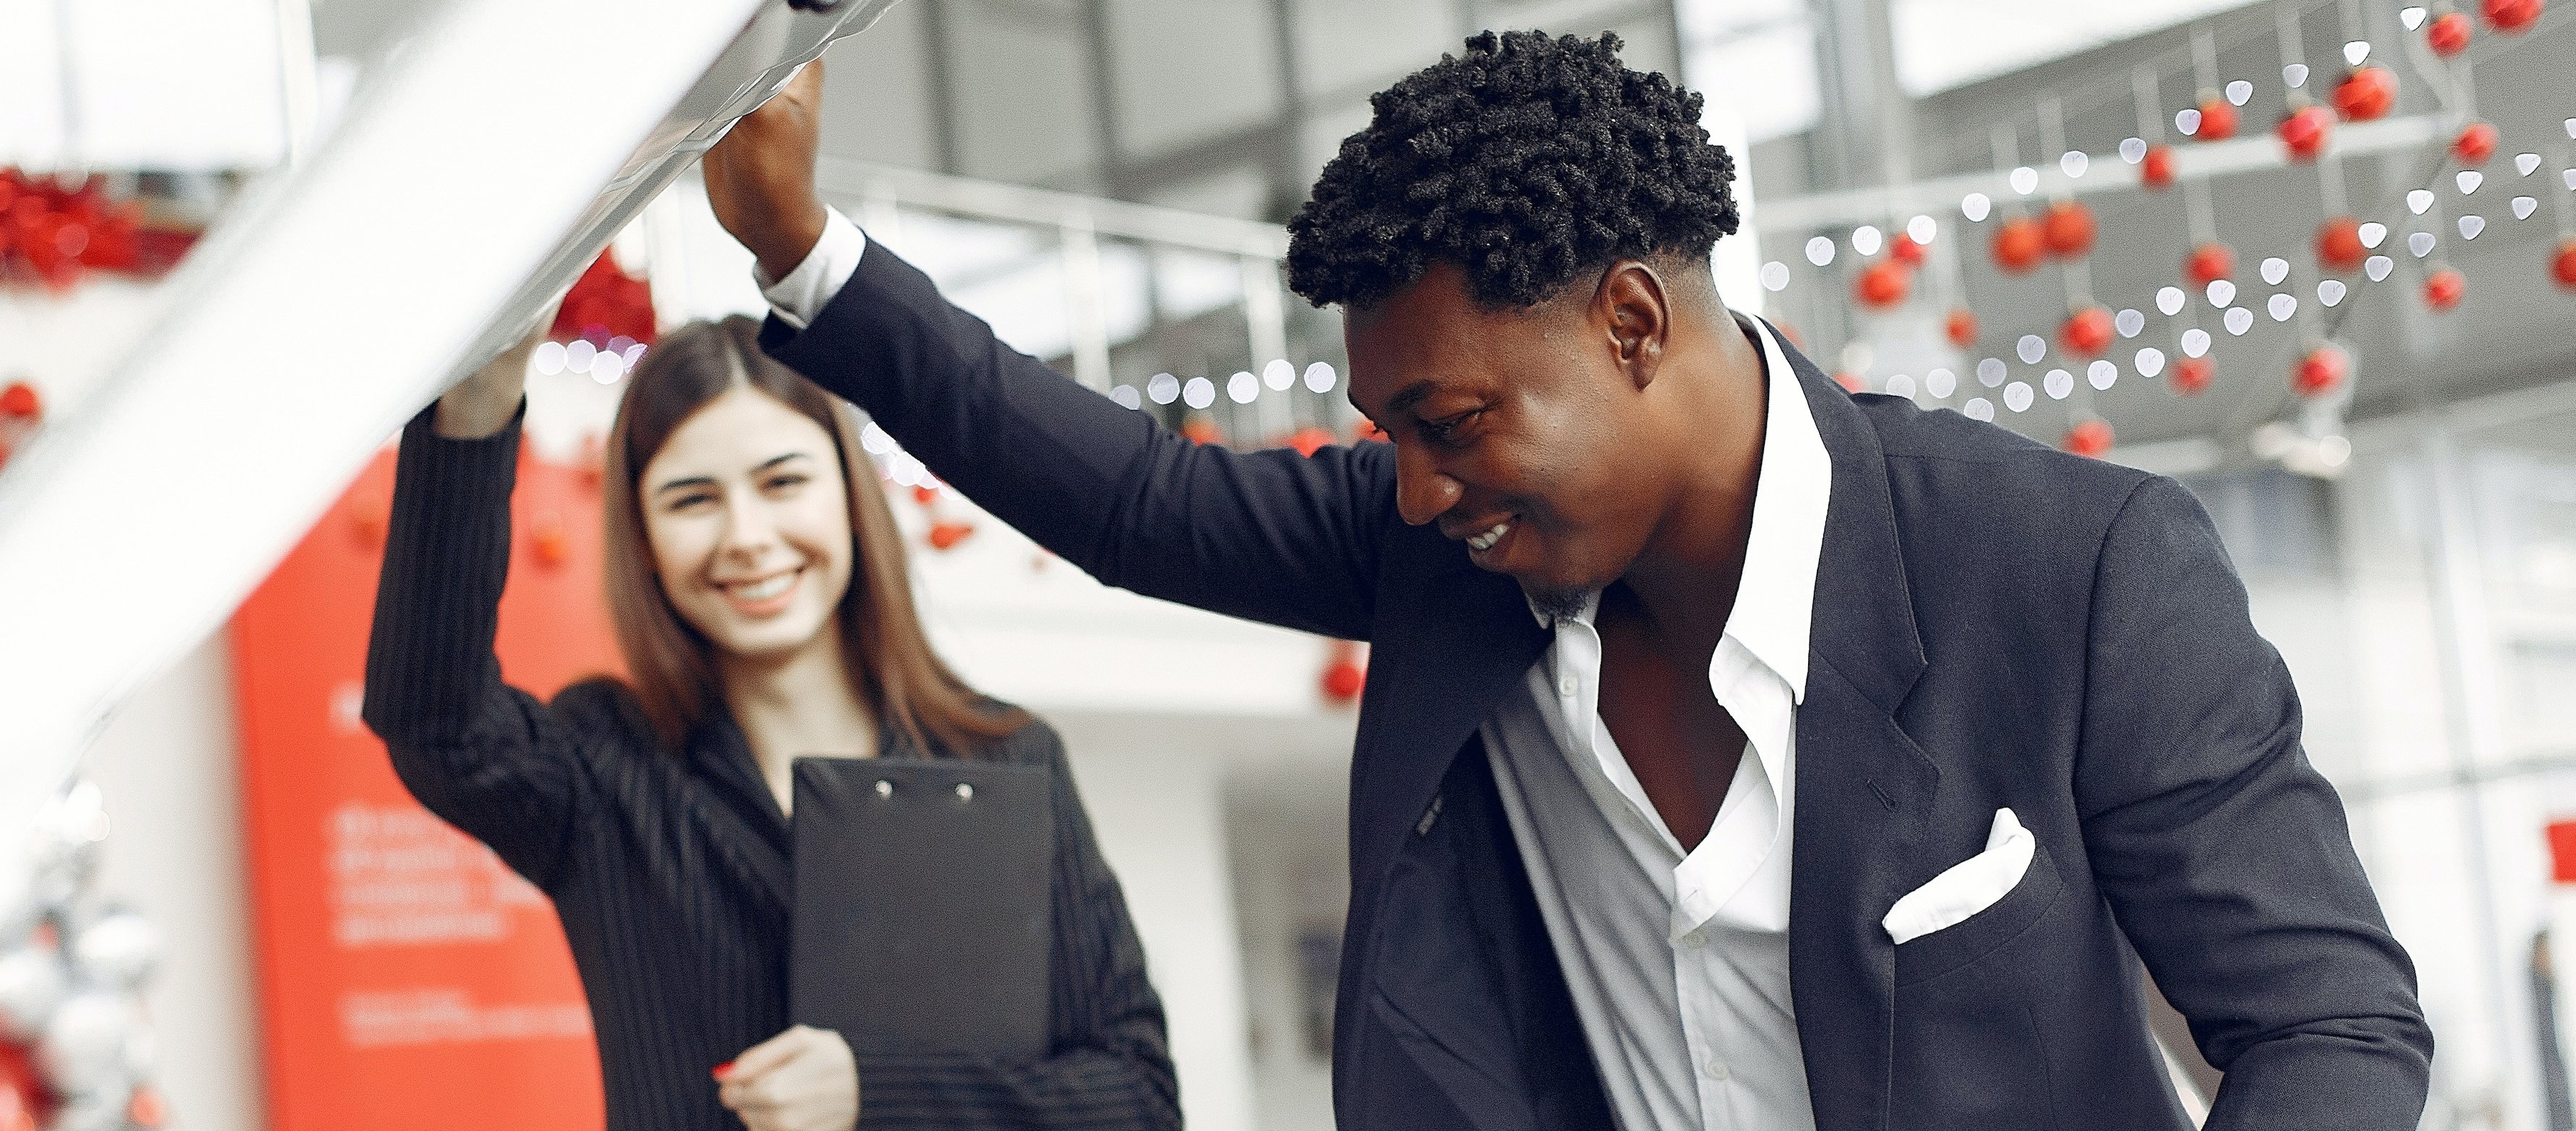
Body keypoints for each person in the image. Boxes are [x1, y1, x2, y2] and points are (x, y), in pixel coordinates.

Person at [701, 32, 2431, 1131]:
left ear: (1629, 322)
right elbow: (1139, 496)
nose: (1413, 483)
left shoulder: (2073, 565)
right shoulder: (1455, 554)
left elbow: (2331, 1021)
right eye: (1388, 429)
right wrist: (803, 248)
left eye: (1449, 419)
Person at [361, 315, 1181, 1131]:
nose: (747, 538)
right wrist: (475, 408)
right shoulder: (602, 760)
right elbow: (435, 723)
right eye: (691, 500)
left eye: (783, 483)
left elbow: (1138, 1100)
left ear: (851, 500)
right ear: (642, 538)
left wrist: (877, 1095)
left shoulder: (1003, 756)